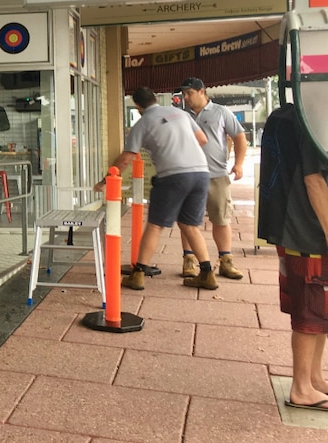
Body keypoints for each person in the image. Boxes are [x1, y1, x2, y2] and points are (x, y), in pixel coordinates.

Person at [93, 86, 216, 291]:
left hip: (173, 176)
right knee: (190, 225)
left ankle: (138, 274)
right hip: (201, 173)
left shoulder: (142, 123)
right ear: (156, 98)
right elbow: (202, 139)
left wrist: (105, 180)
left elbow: (126, 158)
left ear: (138, 106)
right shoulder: (181, 114)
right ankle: (207, 273)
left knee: (156, 225)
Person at [258, 103, 328, 410]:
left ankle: (314, 377)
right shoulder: (314, 120)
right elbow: (314, 181)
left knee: (321, 310)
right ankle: (302, 387)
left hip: (298, 228)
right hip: (308, 232)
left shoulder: (299, 114)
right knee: (311, 310)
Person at [178, 77, 248, 280]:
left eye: (189, 93)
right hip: (188, 175)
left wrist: (239, 163)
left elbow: (239, 137)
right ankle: (189, 259)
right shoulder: (182, 115)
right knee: (188, 221)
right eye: (184, 94)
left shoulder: (221, 112)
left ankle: (226, 261)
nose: (186, 97)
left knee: (221, 218)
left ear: (202, 92)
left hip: (216, 175)